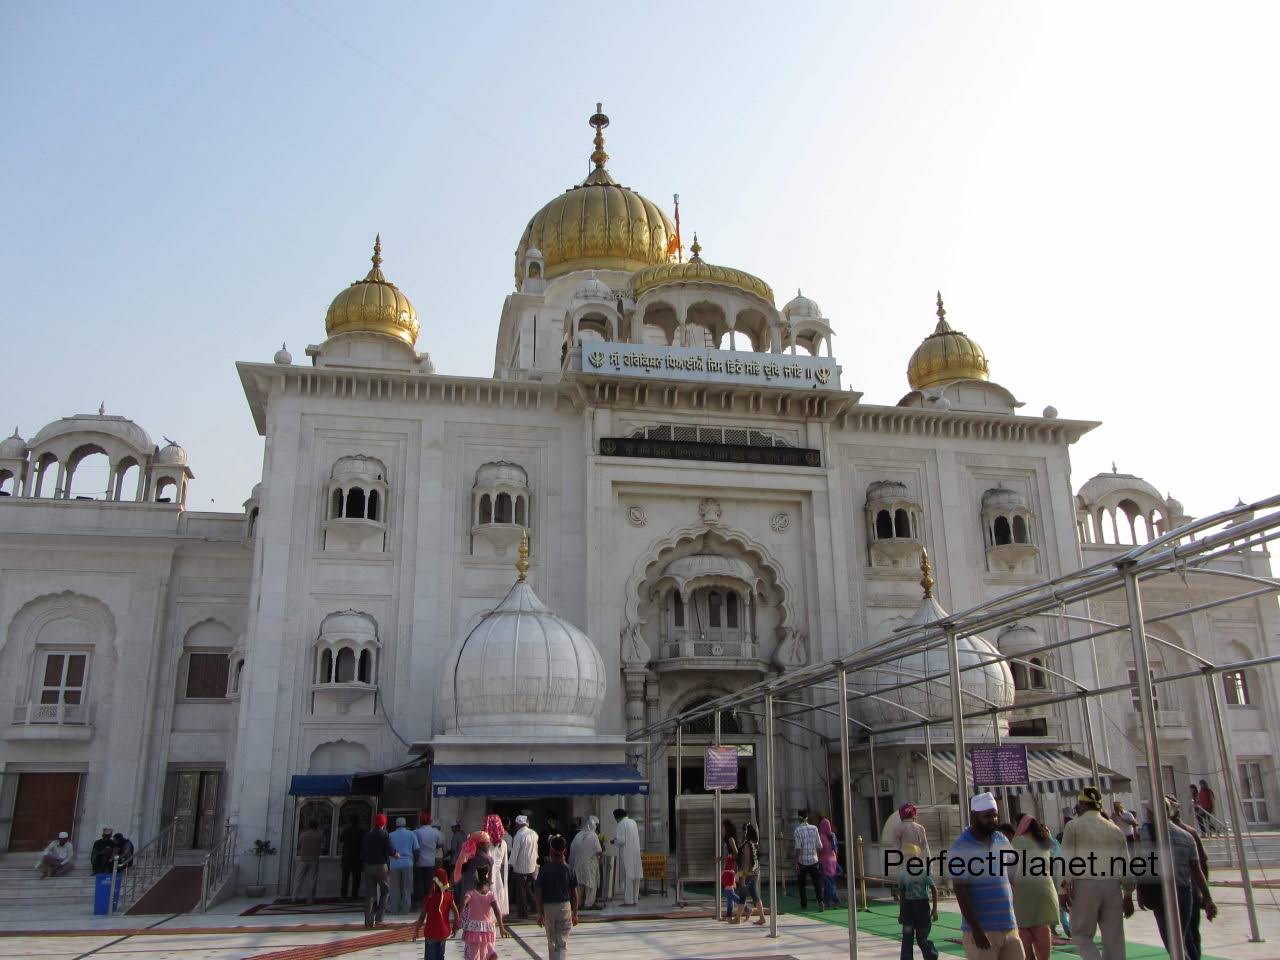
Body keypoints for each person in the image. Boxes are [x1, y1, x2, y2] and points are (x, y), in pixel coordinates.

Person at [1060, 786, 1132, 960]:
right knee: (1114, 938)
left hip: (1085, 884)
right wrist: (1128, 894)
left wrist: (1062, 890)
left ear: (1084, 804)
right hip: (1112, 886)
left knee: (1081, 935)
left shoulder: (1074, 826)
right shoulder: (1115, 829)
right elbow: (1126, 865)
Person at [1139, 798, 1216, 960]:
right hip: (1184, 893)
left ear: (1151, 813)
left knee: (1173, 943)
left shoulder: (1146, 832)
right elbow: (1197, 870)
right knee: (1181, 939)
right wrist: (1207, 897)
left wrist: (1139, 891)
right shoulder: (1186, 836)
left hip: (1162, 893)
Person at [950, 793, 1021, 960]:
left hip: (1009, 926)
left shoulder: (1000, 839)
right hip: (982, 931)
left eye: (995, 815)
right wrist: (976, 930)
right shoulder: (961, 846)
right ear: (974, 816)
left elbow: (1013, 864)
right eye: (987, 816)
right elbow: (960, 890)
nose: (993, 820)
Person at [1168, 794, 1212, 960]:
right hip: (1182, 890)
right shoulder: (1169, 833)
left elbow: (1201, 864)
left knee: (1188, 934)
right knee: (1187, 935)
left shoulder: (1188, 833)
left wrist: (1205, 894)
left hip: (1187, 890)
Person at [1010, 816, 1059, 960]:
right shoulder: (1045, 841)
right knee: (1042, 929)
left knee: (1023, 929)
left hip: (1024, 891)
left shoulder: (1018, 841)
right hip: (1046, 890)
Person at [535, 834, 579, 960]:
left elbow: (538, 891)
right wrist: (575, 913)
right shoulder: (569, 869)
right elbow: (575, 894)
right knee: (562, 942)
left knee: (552, 941)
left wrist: (539, 912)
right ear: (565, 850)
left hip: (548, 908)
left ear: (550, 850)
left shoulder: (544, 870)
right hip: (565, 907)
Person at [897, 842, 939, 960]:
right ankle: (930, 956)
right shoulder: (922, 872)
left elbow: (902, 895)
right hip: (920, 907)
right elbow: (934, 890)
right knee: (919, 938)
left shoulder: (904, 874)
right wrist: (934, 910)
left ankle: (915, 957)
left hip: (912, 908)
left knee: (909, 938)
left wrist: (901, 913)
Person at [361, 812, 401, 929]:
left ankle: (368, 921)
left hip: (368, 866)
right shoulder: (384, 834)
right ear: (384, 823)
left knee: (370, 894)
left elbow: (362, 852)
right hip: (381, 867)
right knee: (385, 891)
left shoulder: (368, 835)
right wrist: (396, 854)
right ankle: (379, 918)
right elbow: (390, 849)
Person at [414, 866, 461, 960]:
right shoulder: (449, 896)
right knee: (440, 957)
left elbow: (422, 917)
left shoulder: (429, 898)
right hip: (443, 932)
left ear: (434, 881)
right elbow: (456, 913)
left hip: (431, 933)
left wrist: (416, 930)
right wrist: (456, 927)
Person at [460, 863, 506, 960]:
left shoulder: (471, 893)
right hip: (487, 928)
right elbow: (497, 911)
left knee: (474, 954)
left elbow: (463, 903)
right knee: (483, 953)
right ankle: (491, 953)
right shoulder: (491, 895)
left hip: (474, 929)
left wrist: (458, 918)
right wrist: (501, 927)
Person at [734, 822, 766, 925]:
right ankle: (762, 918)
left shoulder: (748, 844)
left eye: (744, 831)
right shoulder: (754, 844)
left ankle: (737, 918)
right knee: (755, 895)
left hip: (748, 873)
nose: (743, 833)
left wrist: (742, 877)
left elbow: (746, 862)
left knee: (742, 894)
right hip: (755, 873)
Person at [569, 815, 603, 911]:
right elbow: (599, 851)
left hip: (578, 865)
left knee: (579, 885)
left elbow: (573, 850)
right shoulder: (593, 835)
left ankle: (578, 904)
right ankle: (589, 904)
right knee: (591, 885)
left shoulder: (578, 835)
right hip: (590, 865)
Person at [453, 831, 494, 907]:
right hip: (477, 890)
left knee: (466, 908)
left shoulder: (468, 853)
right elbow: (487, 877)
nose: (489, 845)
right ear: (480, 844)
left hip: (466, 887)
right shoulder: (484, 858)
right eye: (487, 843)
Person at [792, 811, 823, 911]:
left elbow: (798, 847)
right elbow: (819, 846)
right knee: (817, 883)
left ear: (799, 818)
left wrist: (796, 862)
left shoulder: (797, 830)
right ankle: (820, 901)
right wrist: (817, 857)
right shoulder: (814, 828)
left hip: (803, 861)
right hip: (814, 860)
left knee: (802, 884)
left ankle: (804, 903)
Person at [389, 816, 421, 914]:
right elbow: (416, 850)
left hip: (394, 864)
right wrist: (416, 862)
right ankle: (405, 909)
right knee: (407, 887)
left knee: (394, 887)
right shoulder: (411, 834)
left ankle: (395, 909)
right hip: (407, 863)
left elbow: (388, 850)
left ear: (396, 825)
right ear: (405, 824)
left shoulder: (390, 835)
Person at [510, 814, 539, 918]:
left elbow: (515, 852)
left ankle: (522, 913)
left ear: (518, 824)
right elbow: (536, 848)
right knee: (530, 889)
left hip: (520, 867)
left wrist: (511, 864)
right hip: (533, 865)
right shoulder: (534, 833)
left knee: (521, 891)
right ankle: (536, 907)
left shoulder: (518, 836)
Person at [612, 808, 642, 906]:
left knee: (628, 876)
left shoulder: (621, 824)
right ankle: (635, 900)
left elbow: (621, 840)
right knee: (636, 875)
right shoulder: (633, 822)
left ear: (618, 817)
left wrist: (614, 841)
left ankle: (628, 901)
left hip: (628, 853)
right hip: (636, 852)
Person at [413, 811, 443, 904]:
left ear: (420, 821)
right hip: (430, 862)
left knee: (418, 883)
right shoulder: (436, 833)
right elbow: (439, 845)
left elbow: (413, 847)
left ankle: (418, 903)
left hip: (418, 862)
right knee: (429, 884)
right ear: (430, 821)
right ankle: (428, 902)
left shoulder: (415, 832)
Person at [293, 819, 325, 903]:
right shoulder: (319, 835)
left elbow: (300, 845)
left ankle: (294, 897)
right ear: (317, 826)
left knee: (298, 879)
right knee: (312, 880)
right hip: (314, 859)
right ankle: (310, 899)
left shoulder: (303, 835)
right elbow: (322, 845)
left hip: (303, 859)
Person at [484, 814, 509, 917]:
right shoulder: (503, 844)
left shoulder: (485, 843)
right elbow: (504, 863)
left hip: (486, 875)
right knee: (496, 898)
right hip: (497, 875)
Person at [339, 813, 366, 899]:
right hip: (357, 857)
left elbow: (341, 840)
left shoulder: (346, 830)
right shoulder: (360, 831)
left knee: (345, 877)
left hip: (346, 856)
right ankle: (355, 895)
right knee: (356, 877)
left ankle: (344, 894)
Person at [818, 815, 839, 908]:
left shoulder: (821, 836)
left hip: (825, 861)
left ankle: (832, 899)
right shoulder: (832, 835)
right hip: (833, 860)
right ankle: (829, 900)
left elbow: (820, 849)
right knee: (832, 881)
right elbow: (836, 848)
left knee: (828, 882)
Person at [720, 854, 740, 923]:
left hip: (729, 875)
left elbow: (729, 865)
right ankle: (729, 916)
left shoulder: (730, 858)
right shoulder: (731, 866)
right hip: (729, 875)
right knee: (730, 900)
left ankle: (746, 908)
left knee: (731, 895)